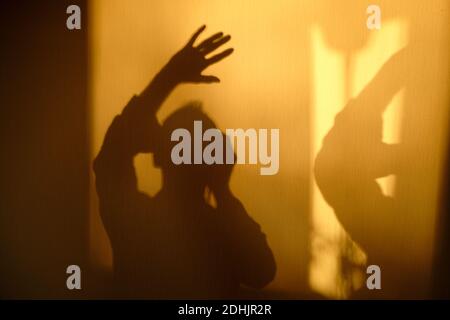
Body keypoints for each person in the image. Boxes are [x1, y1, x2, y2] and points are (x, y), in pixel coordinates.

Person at [93, 25, 276, 299]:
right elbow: (262, 270)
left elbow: (111, 159)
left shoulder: (136, 220)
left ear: (159, 157)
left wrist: (169, 77)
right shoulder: (221, 231)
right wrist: (223, 191)